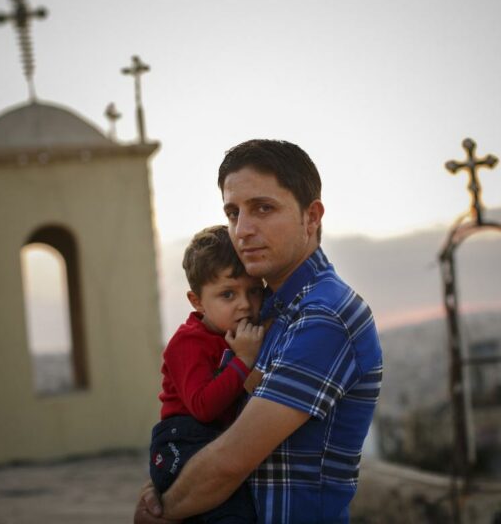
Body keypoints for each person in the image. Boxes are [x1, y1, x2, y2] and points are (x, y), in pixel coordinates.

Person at [136, 139, 383, 524]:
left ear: (311, 216)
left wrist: (161, 510)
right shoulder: (267, 311)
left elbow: (230, 461)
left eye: (263, 208)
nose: (243, 230)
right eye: (233, 213)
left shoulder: (323, 315)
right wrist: (171, 475)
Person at [149, 225, 264, 523]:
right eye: (228, 294)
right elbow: (203, 406)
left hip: (214, 438)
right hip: (184, 440)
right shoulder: (188, 342)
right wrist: (244, 360)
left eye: (254, 291)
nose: (244, 304)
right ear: (197, 301)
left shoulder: (242, 332)